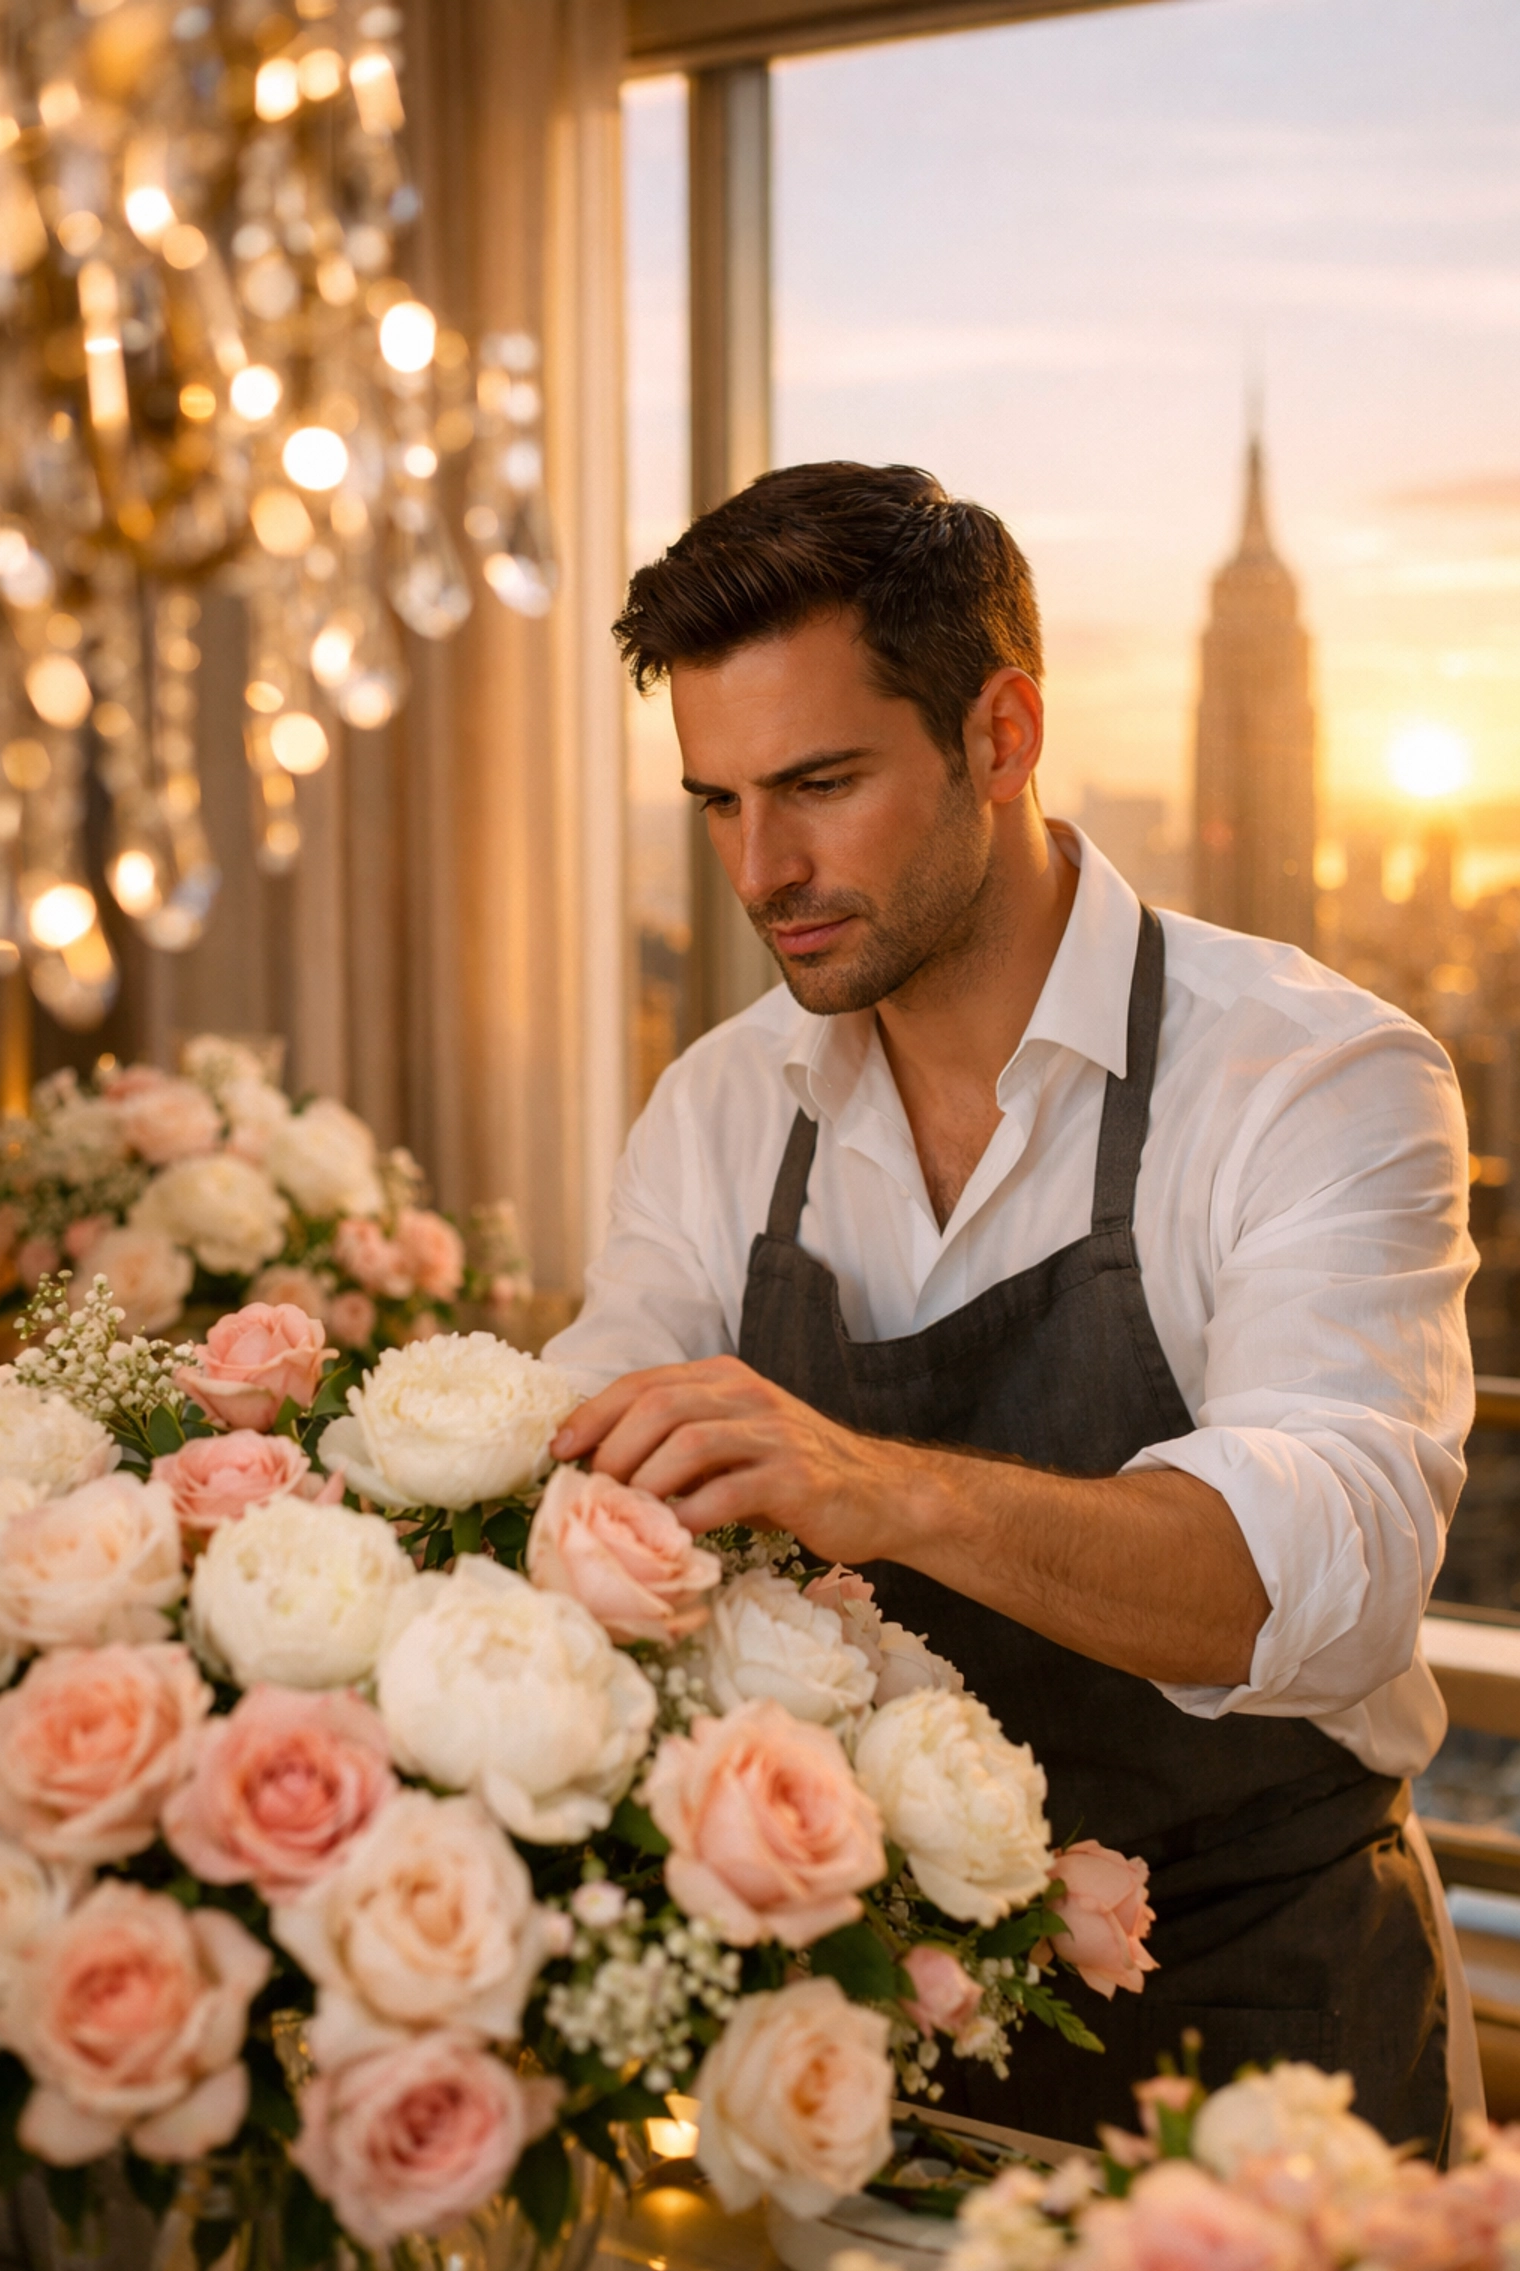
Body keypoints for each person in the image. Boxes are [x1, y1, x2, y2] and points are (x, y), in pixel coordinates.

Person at [543, 461, 1477, 2153]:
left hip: (1265, 2038)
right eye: (719, 803)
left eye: (821, 784)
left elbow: (1322, 1580)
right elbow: (583, 1435)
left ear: (1003, 735)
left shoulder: (1315, 1077)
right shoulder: (718, 1108)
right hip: (859, 2048)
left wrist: (883, 1487)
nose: (763, 868)